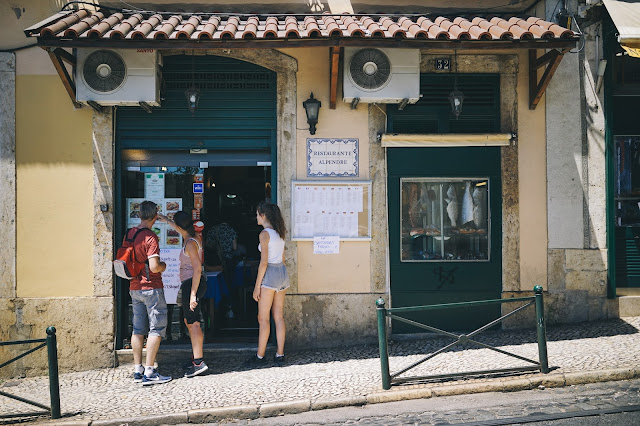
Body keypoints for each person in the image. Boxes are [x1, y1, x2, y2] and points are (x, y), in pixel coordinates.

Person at [158, 211, 209, 378]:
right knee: (189, 321)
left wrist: (193, 294)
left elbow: (197, 268)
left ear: (181, 226)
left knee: (193, 323)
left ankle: (199, 362)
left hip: (191, 284)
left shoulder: (190, 243)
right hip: (189, 284)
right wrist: (165, 219)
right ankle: (195, 357)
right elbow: (179, 229)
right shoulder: (190, 237)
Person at [127, 201, 172, 386]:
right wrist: (164, 266)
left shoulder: (130, 233)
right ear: (155, 216)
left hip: (134, 287)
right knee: (156, 328)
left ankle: (138, 369)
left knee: (138, 329)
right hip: (151, 287)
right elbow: (154, 266)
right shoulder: (150, 237)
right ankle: (150, 372)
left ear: (139, 215)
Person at [246, 201, 289, 366]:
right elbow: (283, 259)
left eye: (257, 214)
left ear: (263, 216)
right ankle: (280, 354)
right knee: (278, 316)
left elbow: (263, 262)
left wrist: (257, 287)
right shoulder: (280, 232)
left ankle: (260, 356)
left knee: (263, 318)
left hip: (270, 275)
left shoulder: (264, 234)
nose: (256, 217)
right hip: (282, 274)